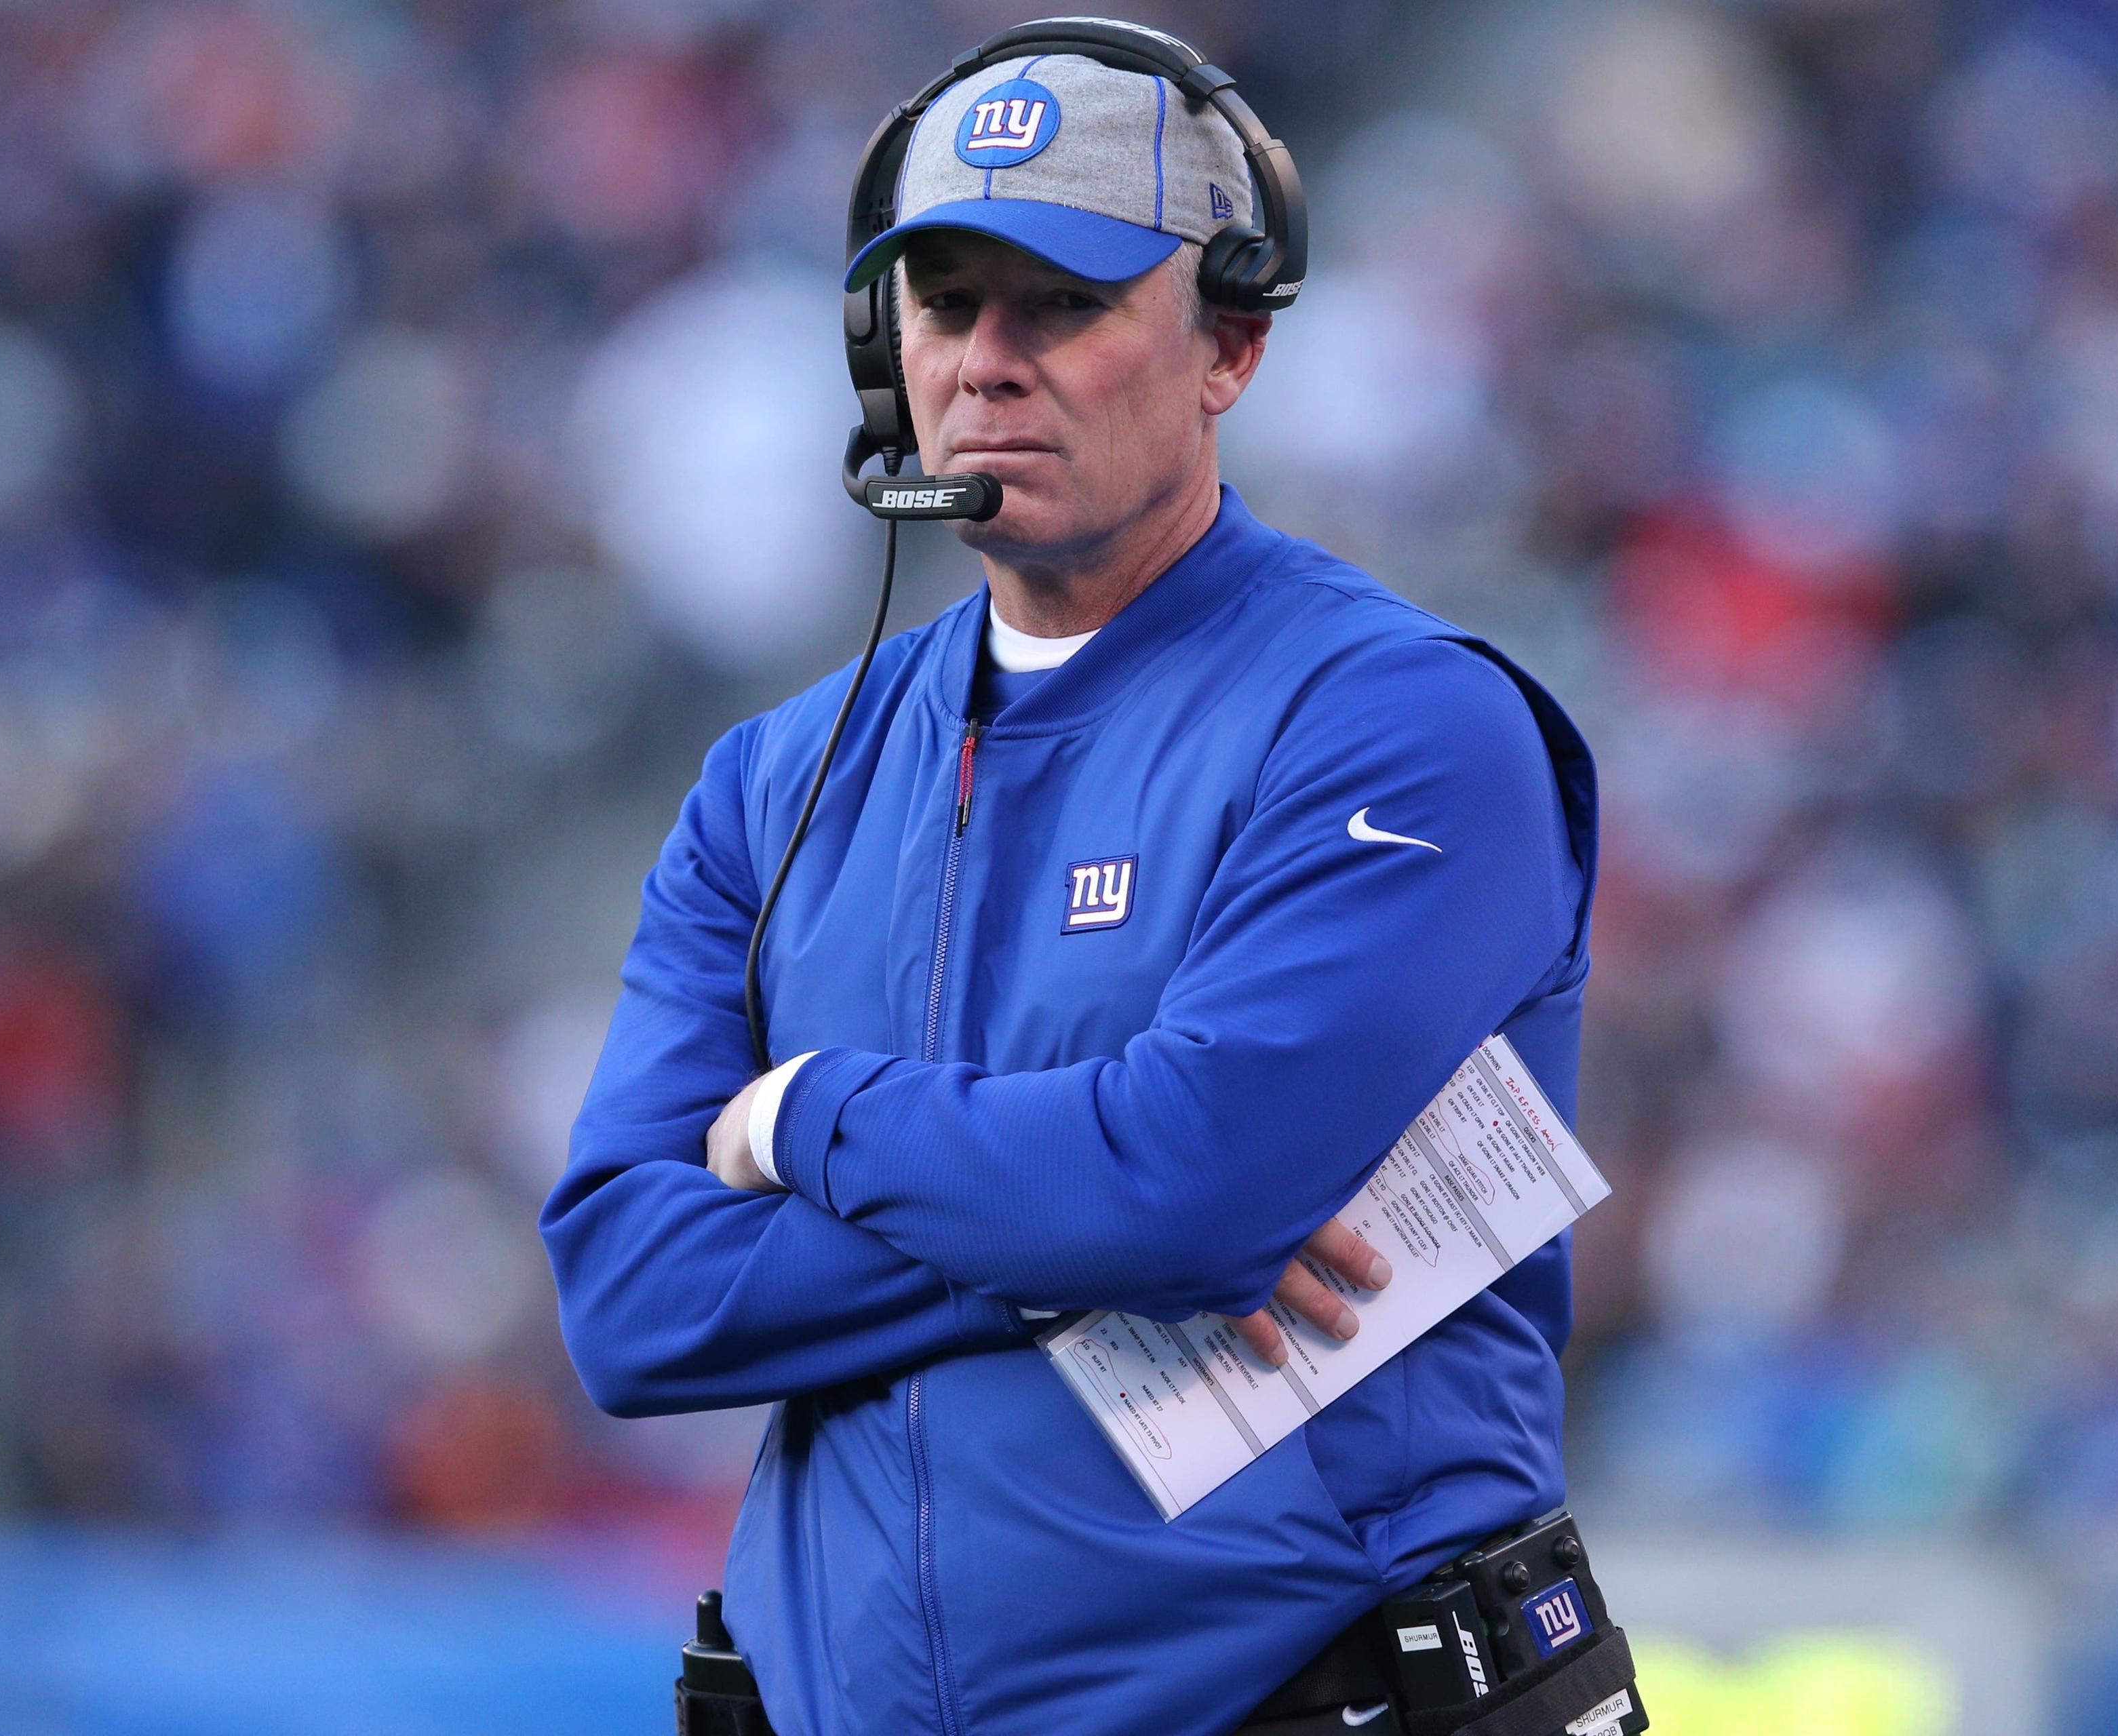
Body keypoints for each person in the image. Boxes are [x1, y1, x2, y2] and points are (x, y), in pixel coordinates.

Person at [539, 31, 1601, 1736]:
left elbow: (1183, 1186)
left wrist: (810, 1112)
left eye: (1065, 303)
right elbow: (630, 1299)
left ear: (1230, 345)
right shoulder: (770, 779)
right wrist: (1083, 1218)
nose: (988, 362)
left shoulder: (1404, 720)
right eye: (947, 307)